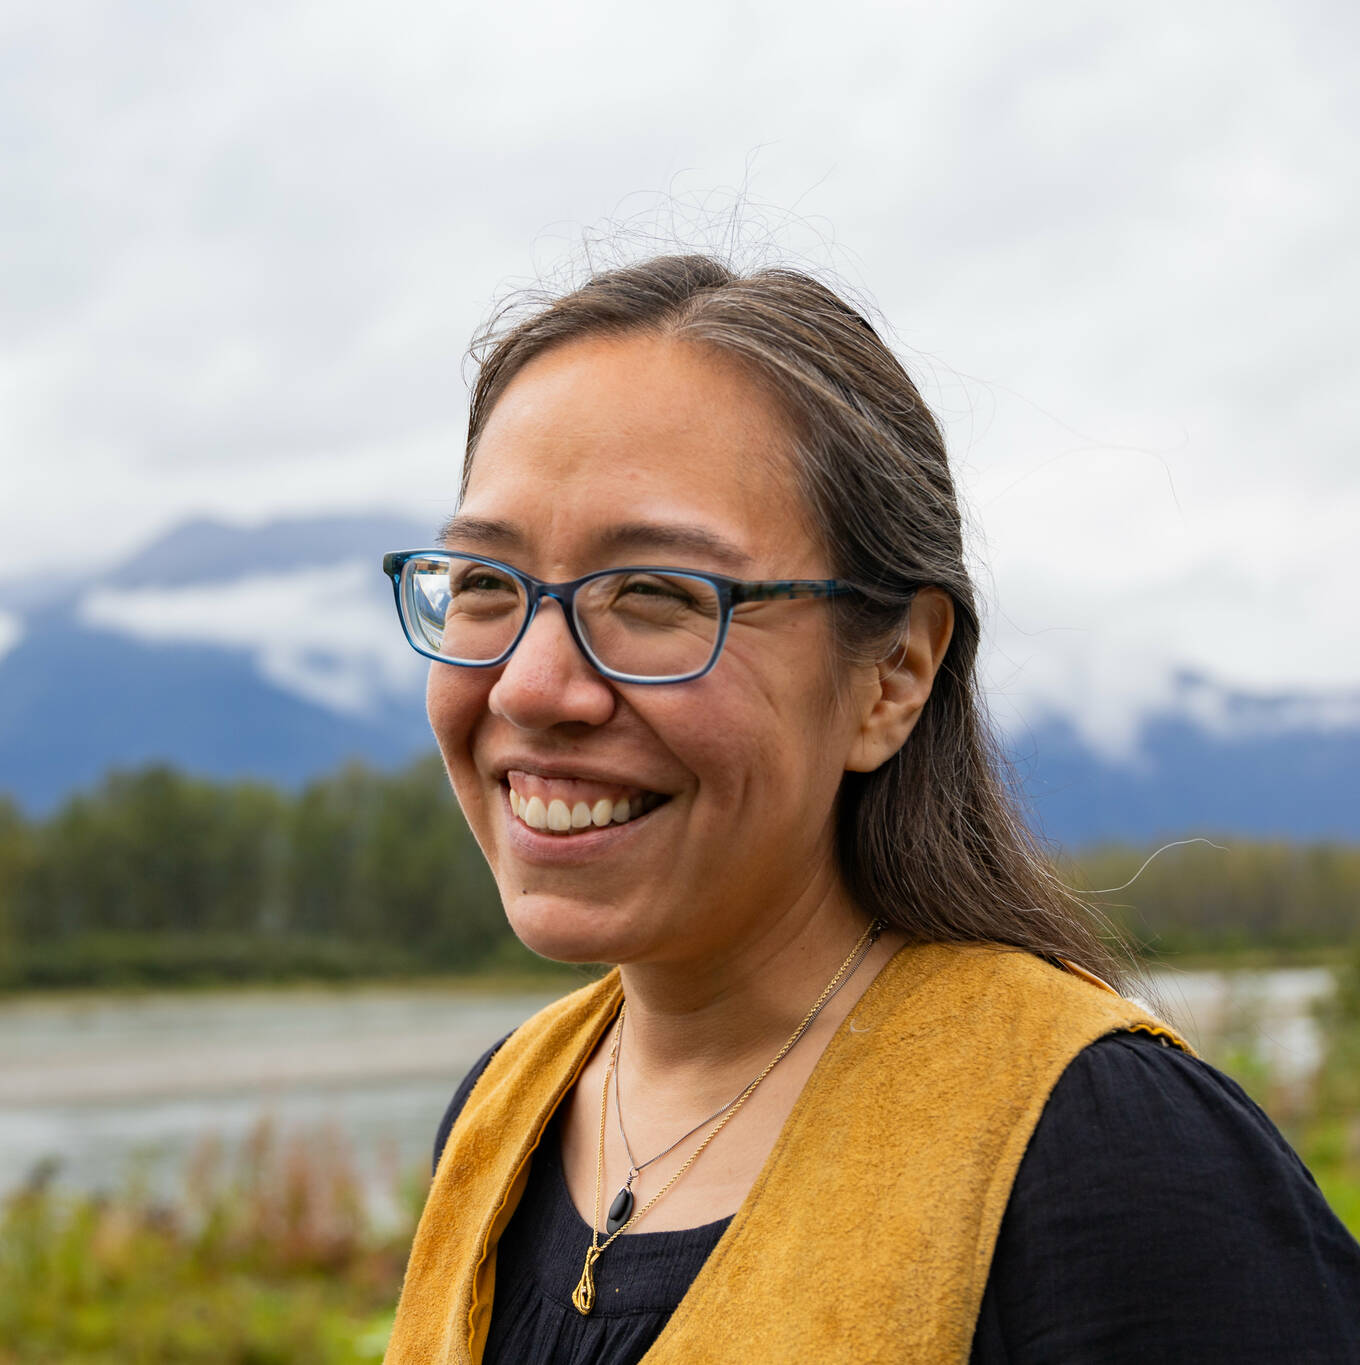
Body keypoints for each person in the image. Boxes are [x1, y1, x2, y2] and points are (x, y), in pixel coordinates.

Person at [378, 255, 1360, 1363]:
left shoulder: (1103, 1156)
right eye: (482, 585)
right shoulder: (505, 1113)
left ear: (891, 674)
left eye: (654, 595)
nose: (528, 686)